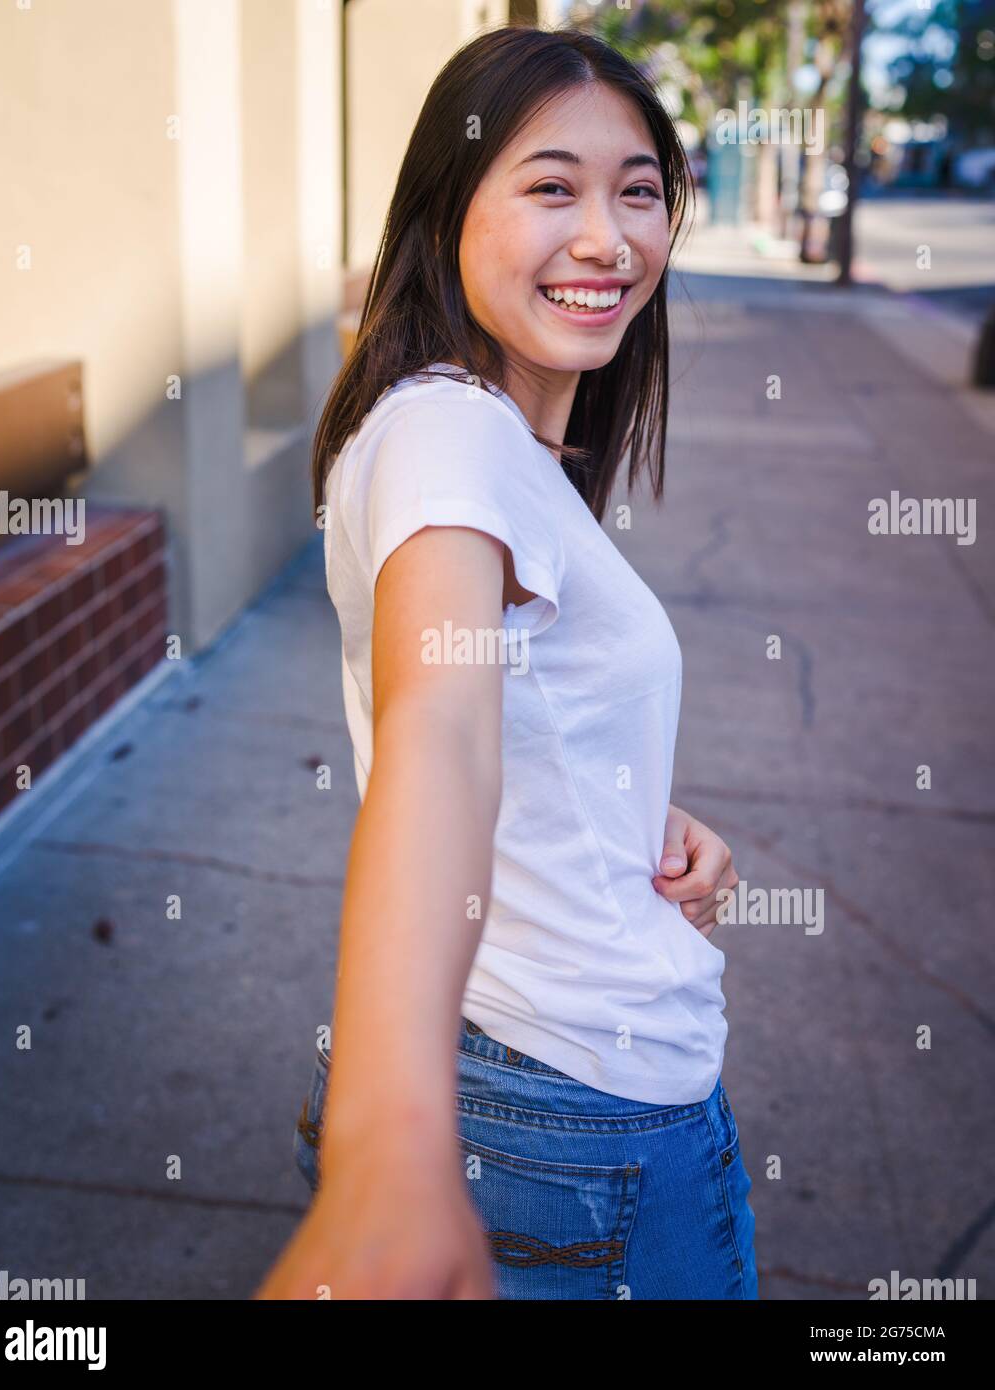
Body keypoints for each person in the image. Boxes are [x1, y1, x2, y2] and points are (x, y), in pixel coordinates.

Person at [255, 24, 757, 1301]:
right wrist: (388, 1152)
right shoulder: (451, 436)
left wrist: (624, 801)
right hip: (565, 1120)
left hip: (540, 1096)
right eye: (550, 186)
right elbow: (443, 738)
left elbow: (505, 715)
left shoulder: (482, 443)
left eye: (636, 191)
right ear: (445, 208)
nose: (607, 237)